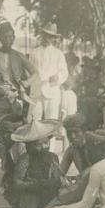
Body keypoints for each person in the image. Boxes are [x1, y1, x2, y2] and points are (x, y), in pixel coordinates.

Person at [4, 118, 64, 208]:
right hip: (30, 195)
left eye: (46, 143)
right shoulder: (25, 159)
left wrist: (59, 181)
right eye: (38, 145)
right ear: (29, 146)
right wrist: (39, 185)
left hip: (47, 195)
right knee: (29, 198)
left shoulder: (52, 157)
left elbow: (57, 178)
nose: (44, 147)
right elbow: (17, 183)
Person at [0, 22, 36, 127]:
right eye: (5, 37)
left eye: (10, 37)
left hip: (16, 99)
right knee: (3, 132)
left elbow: (35, 73)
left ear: (14, 38)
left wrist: (27, 82)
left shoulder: (19, 56)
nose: (8, 40)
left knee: (17, 132)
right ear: (0, 38)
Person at [28, 22, 69, 152]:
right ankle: (34, 151)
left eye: (51, 36)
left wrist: (58, 78)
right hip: (37, 91)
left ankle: (49, 153)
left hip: (52, 91)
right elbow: (30, 72)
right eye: (46, 35)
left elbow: (64, 72)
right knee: (34, 120)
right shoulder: (34, 52)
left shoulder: (58, 54)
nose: (48, 38)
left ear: (54, 38)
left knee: (51, 122)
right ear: (42, 35)